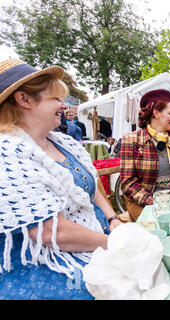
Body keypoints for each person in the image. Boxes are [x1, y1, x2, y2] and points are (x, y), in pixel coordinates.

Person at [0, 58, 122, 300]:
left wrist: (112, 218)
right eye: (55, 98)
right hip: (50, 273)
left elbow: (92, 185)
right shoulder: (7, 155)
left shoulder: (62, 142)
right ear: (24, 99)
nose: (64, 105)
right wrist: (114, 245)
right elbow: (49, 232)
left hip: (96, 243)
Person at [119, 89, 170, 222]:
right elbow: (127, 182)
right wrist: (154, 202)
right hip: (143, 205)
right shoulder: (131, 140)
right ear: (156, 113)